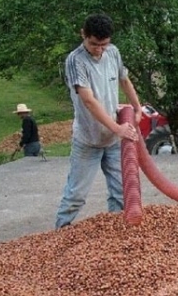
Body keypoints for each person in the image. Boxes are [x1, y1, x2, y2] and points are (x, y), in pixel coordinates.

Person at [56, 13, 142, 229]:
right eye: (94, 44)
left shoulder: (113, 53)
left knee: (122, 192)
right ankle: (59, 236)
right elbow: (88, 100)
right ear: (83, 34)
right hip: (88, 139)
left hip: (113, 140)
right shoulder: (76, 61)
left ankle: (116, 237)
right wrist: (118, 128)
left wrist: (138, 108)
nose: (99, 49)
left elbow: (124, 80)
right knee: (75, 195)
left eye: (104, 44)